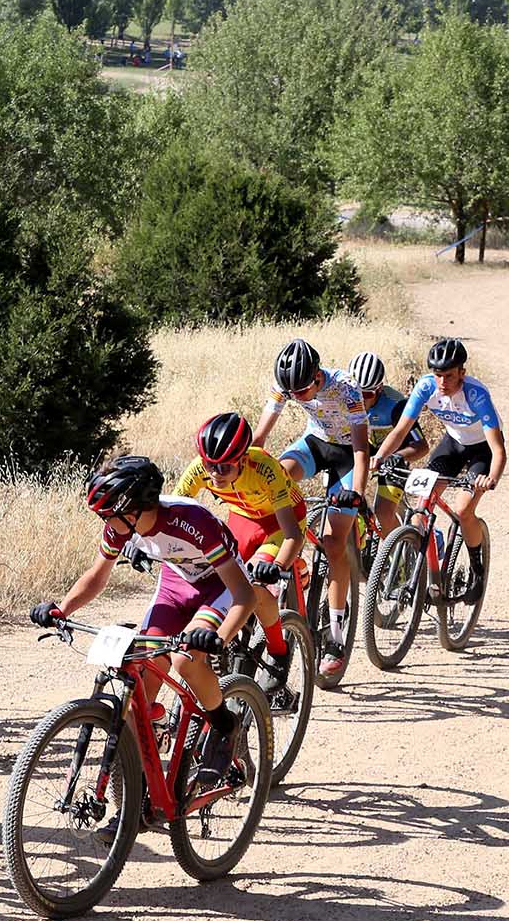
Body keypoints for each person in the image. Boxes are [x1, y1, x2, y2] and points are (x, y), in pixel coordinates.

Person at [29, 455, 259, 818]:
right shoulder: (122, 525)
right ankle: (134, 807)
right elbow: (98, 574)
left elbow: (245, 594)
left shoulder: (191, 522)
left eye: (110, 515)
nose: (107, 524)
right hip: (177, 584)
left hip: (220, 586)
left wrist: (219, 638)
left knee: (185, 658)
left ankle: (223, 724)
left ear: (135, 509)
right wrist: (63, 609)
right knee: (139, 675)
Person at [251, 338, 372, 683]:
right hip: (315, 444)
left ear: (318, 376)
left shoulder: (346, 388)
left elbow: (362, 453)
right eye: (292, 394)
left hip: (349, 456)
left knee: (335, 544)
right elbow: (260, 437)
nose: (297, 397)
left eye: (302, 391)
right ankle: (291, 557)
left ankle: (336, 632)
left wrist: (357, 495)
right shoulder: (285, 384)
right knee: (276, 476)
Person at [171, 412, 305, 707]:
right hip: (243, 520)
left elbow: (292, 534)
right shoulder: (200, 469)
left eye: (224, 466)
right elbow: (173, 514)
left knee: (254, 584)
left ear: (243, 460)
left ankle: (278, 649)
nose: (215, 473)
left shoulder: (265, 468)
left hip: (279, 524)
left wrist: (277, 566)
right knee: (221, 579)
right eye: (210, 465)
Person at [369, 338, 506, 580]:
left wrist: (491, 478)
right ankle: (425, 567)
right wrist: (380, 456)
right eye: (438, 375)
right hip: (452, 444)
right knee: (421, 507)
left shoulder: (476, 395)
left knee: (464, 510)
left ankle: (476, 567)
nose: (442, 382)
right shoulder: (425, 387)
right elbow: (400, 430)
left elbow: (497, 448)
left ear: (462, 373)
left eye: (450, 376)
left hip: (481, 449)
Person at [346, 350, 429, 536]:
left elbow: (421, 446)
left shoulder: (396, 404)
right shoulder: (345, 400)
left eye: (366, 395)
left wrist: (396, 457)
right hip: (364, 454)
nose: (359, 399)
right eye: (355, 393)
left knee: (384, 513)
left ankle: (400, 561)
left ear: (380, 388)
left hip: (393, 459)